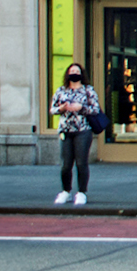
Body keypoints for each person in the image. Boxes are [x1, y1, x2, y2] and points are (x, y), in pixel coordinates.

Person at [49, 62, 102, 205]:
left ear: (81, 74)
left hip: (82, 130)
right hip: (66, 131)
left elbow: (95, 109)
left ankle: (82, 192)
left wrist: (81, 107)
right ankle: (65, 191)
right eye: (71, 71)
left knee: (81, 163)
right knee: (66, 164)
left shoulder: (88, 90)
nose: (74, 73)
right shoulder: (61, 91)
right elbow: (52, 110)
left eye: (77, 71)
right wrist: (62, 108)